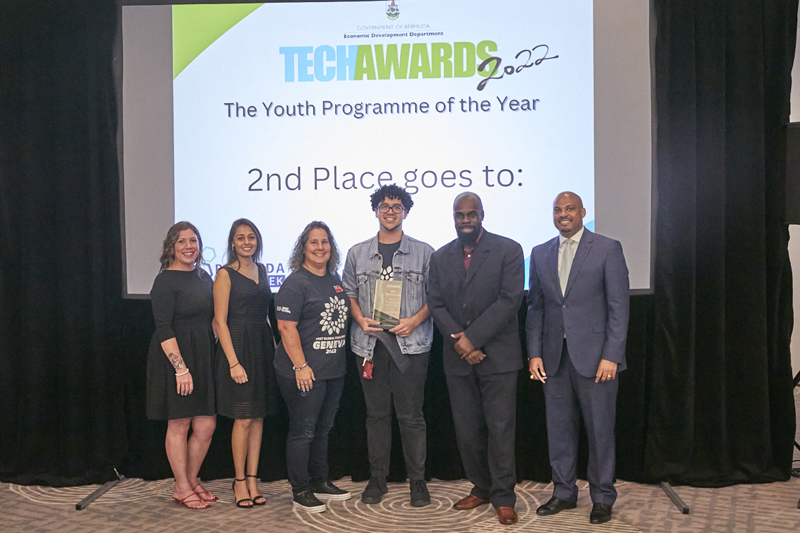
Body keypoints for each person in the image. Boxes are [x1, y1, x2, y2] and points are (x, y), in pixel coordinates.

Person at [526, 191, 629, 525]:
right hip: (554, 359)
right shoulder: (540, 253)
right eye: (557, 210)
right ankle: (563, 493)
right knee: (559, 430)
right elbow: (536, 307)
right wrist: (534, 353)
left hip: (597, 360)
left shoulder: (607, 248)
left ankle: (602, 497)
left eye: (569, 209)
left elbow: (618, 307)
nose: (563, 215)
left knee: (600, 432)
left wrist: (612, 355)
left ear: (582, 212)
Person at [427, 192, 524, 526]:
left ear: (482, 214)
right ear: (453, 217)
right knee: (467, 431)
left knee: (500, 430)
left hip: (499, 357)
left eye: (471, 214)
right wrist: (462, 342)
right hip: (458, 358)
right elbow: (436, 303)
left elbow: (510, 300)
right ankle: (481, 487)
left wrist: (473, 338)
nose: (465, 220)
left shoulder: (509, 250)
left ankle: (503, 497)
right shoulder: (440, 257)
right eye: (460, 215)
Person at [342, 184, 434, 507]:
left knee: (411, 416)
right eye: (385, 206)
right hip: (369, 345)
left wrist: (415, 320)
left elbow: (436, 297)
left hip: (411, 346)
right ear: (376, 211)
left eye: (397, 207)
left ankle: (417, 482)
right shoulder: (357, 253)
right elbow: (349, 292)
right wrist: (359, 318)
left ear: (405, 212)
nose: (390, 211)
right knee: (376, 416)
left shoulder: (424, 252)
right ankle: (377, 479)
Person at [274, 221, 352, 512]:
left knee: (323, 430)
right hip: (303, 371)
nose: (320, 248)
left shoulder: (334, 279)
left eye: (325, 242)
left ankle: (320, 481)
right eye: (314, 242)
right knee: (303, 431)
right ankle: (301, 489)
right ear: (303, 248)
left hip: (333, 370)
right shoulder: (296, 283)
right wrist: (301, 366)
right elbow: (286, 327)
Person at [146, 221, 217, 510]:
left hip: (203, 356)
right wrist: (180, 368)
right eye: (182, 241)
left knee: (206, 425)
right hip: (175, 359)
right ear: (171, 247)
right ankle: (182, 487)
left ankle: (189, 480)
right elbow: (163, 327)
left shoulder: (204, 276)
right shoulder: (165, 281)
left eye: (193, 240)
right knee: (180, 423)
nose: (189, 246)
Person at [214, 219, 276, 508]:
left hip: (262, 347)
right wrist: (233, 362)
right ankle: (239, 480)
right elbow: (220, 322)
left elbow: (265, 316)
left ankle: (253, 478)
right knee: (243, 418)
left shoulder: (262, 270)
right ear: (232, 243)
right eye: (241, 238)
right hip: (238, 347)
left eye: (251, 237)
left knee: (258, 416)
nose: (247, 242)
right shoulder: (225, 274)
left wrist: (275, 350)